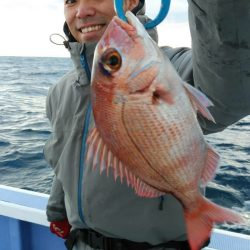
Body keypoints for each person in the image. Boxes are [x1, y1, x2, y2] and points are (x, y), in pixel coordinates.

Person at [44, 0, 250, 249]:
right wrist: (57, 210)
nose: (82, 10)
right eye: (71, 1)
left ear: (129, 1)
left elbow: (229, 91)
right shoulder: (60, 92)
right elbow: (63, 159)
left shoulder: (174, 69)